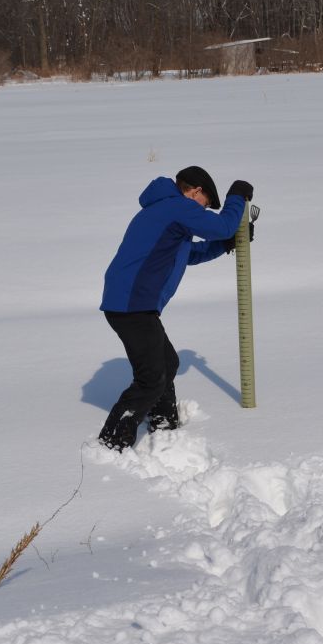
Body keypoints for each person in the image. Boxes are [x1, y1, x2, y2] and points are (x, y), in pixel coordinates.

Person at [97, 166, 254, 452]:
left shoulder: (165, 213)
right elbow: (222, 225)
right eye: (206, 205)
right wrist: (236, 197)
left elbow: (188, 254)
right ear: (195, 192)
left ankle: (164, 423)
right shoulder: (176, 207)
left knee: (167, 364)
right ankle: (112, 441)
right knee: (151, 378)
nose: (204, 211)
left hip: (132, 304)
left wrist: (225, 244)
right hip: (132, 304)